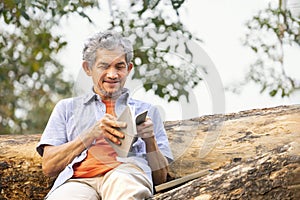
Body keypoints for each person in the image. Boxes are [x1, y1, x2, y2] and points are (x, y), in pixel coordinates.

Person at [36, 30, 173, 200]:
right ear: (88, 68)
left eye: (119, 66)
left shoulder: (148, 111)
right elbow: (49, 166)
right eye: (104, 66)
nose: (112, 74)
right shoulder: (66, 108)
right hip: (78, 181)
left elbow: (160, 179)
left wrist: (150, 139)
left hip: (125, 173)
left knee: (126, 189)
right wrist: (90, 134)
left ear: (129, 69)